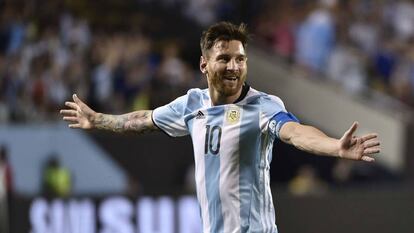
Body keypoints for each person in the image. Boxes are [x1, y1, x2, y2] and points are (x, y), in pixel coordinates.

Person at [60, 22, 381, 233]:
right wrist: (97, 119)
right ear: (204, 64)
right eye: (225, 58)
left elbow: (296, 134)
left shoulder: (264, 106)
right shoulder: (191, 104)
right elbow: (143, 120)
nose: (234, 66)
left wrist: (334, 147)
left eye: (240, 59)